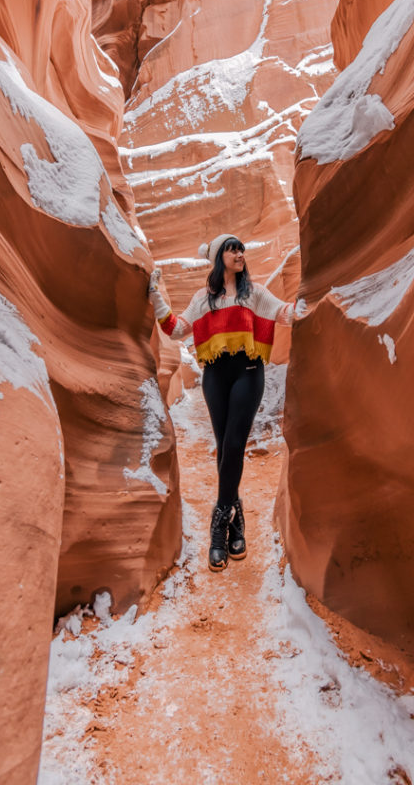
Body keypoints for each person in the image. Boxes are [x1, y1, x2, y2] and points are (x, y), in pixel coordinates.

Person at [148, 233, 295, 572]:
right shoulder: (204, 298)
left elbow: (284, 313)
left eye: (241, 248)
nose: (239, 253)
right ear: (218, 258)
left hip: (248, 372)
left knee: (233, 443)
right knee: (223, 447)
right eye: (232, 249)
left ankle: (218, 528)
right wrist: (156, 297)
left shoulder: (254, 293)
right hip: (215, 376)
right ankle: (236, 523)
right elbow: (177, 330)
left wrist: (314, 296)